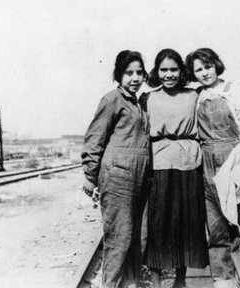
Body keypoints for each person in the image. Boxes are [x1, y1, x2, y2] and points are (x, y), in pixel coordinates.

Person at [186, 48, 240, 288]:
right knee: (216, 228)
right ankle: (223, 281)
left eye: (207, 67)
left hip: (234, 159)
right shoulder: (197, 97)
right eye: (198, 69)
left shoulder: (233, 90)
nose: (204, 73)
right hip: (207, 166)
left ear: (216, 65)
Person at [81, 50, 151, 288]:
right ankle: (111, 284)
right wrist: (90, 176)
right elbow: (95, 137)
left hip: (140, 177)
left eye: (139, 73)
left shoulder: (140, 103)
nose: (135, 78)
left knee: (137, 237)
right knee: (119, 236)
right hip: (118, 176)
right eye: (129, 73)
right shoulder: (112, 99)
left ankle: (131, 284)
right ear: (119, 75)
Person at [141, 48, 209, 288]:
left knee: (186, 223)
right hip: (159, 165)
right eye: (163, 69)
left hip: (189, 164)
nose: (168, 74)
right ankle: (157, 282)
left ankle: (181, 280)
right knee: (158, 224)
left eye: (173, 69)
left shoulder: (194, 95)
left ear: (181, 71)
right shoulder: (148, 98)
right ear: (156, 72)